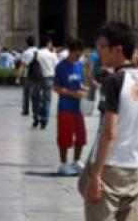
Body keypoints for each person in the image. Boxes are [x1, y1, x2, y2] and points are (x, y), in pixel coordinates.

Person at [80, 21, 138, 220]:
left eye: (102, 47)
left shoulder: (114, 81)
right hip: (134, 167)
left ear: (118, 50)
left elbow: (109, 131)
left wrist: (96, 175)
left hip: (110, 167)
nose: (99, 52)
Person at [54, 38, 89, 176]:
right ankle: (63, 163)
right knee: (65, 135)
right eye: (76, 54)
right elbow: (56, 88)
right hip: (65, 107)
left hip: (78, 107)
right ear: (70, 52)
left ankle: (77, 161)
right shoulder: (61, 67)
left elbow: (81, 82)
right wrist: (72, 93)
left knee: (81, 135)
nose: (78, 57)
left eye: (80, 55)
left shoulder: (79, 65)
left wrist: (84, 89)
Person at [31, 35, 60, 129]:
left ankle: (37, 115)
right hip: (49, 78)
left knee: (36, 98)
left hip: (37, 78)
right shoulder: (52, 54)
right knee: (47, 100)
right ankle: (44, 121)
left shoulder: (37, 53)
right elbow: (57, 66)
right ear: (48, 44)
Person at [18, 35, 38, 118]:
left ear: (27, 43)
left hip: (27, 75)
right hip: (37, 75)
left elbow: (22, 66)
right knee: (36, 94)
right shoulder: (38, 51)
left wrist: (18, 77)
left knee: (26, 94)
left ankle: (25, 110)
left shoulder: (26, 53)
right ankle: (36, 110)